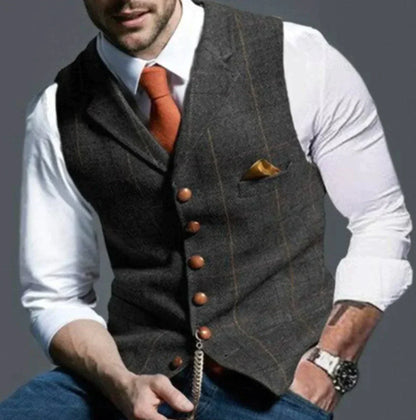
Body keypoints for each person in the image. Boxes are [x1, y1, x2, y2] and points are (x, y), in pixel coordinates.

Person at [0, 0, 413, 419]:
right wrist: (119, 382)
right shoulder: (57, 109)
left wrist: (330, 365)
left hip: (272, 386)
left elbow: (380, 218)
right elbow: (55, 294)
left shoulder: (297, 57)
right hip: (128, 374)